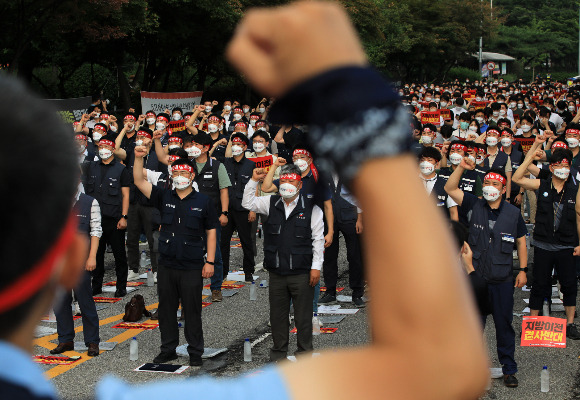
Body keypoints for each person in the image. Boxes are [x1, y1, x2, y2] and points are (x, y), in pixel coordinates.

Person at [0, 3, 488, 400]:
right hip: (194, 264)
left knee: (201, 311)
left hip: (209, 263)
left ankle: (203, 346)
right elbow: (446, 368)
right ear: (64, 260)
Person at [445, 161, 527, 388]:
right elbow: (450, 189)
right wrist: (461, 167)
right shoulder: (473, 203)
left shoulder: (513, 213)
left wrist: (523, 269)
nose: (490, 187)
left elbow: (521, 242)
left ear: (503, 189)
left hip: (502, 279)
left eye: (495, 184)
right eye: (487, 183)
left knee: (504, 325)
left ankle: (509, 369)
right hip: (475, 277)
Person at [133, 150, 217, 367]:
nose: (179, 175)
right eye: (175, 171)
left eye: (183, 172)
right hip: (167, 264)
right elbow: (138, 180)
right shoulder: (163, 196)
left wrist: (210, 262)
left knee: (192, 311)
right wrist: (139, 157)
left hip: (191, 265)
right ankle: (168, 349)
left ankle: (196, 351)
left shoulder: (204, 201)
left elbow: (211, 232)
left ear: (191, 177)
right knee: (167, 310)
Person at [242, 164, 324, 361]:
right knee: (277, 317)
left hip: (302, 273)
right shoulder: (270, 202)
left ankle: (304, 354)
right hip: (277, 272)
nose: (287, 184)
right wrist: (254, 180)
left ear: (300, 184)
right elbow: (247, 202)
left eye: (292, 181)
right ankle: (279, 354)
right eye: (284, 180)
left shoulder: (312, 208)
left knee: (303, 318)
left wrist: (315, 268)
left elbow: (318, 240)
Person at [512, 135, 580, 339]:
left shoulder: (575, 190)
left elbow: (579, 218)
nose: (563, 168)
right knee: (539, 284)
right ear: (551, 168)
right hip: (542, 244)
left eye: (566, 165)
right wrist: (532, 153)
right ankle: (533, 323)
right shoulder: (542, 184)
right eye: (558, 164)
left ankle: (570, 324)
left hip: (567, 245)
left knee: (569, 285)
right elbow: (516, 178)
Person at [51, 187, 102, 357]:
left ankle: (92, 341)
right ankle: (65, 339)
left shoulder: (90, 202)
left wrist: (92, 257)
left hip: (81, 260)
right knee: (60, 302)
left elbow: (95, 231)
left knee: (85, 301)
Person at [83, 134, 131, 297]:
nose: (103, 150)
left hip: (114, 218)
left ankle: (121, 286)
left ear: (113, 149)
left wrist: (124, 217)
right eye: (100, 147)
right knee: (96, 253)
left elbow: (125, 195)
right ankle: (96, 285)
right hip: (95, 219)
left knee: (119, 255)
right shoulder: (90, 167)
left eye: (106, 147)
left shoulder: (121, 169)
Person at [221, 133, 257, 281]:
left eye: (239, 144)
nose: (236, 147)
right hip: (227, 208)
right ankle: (222, 271)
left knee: (246, 241)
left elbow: (255, 188)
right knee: (223, 242)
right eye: (233, 144)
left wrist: (253, 209)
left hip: (244, 208)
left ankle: (248, 271)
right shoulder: (224, 163)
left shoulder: (251, 165)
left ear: (244, 147)